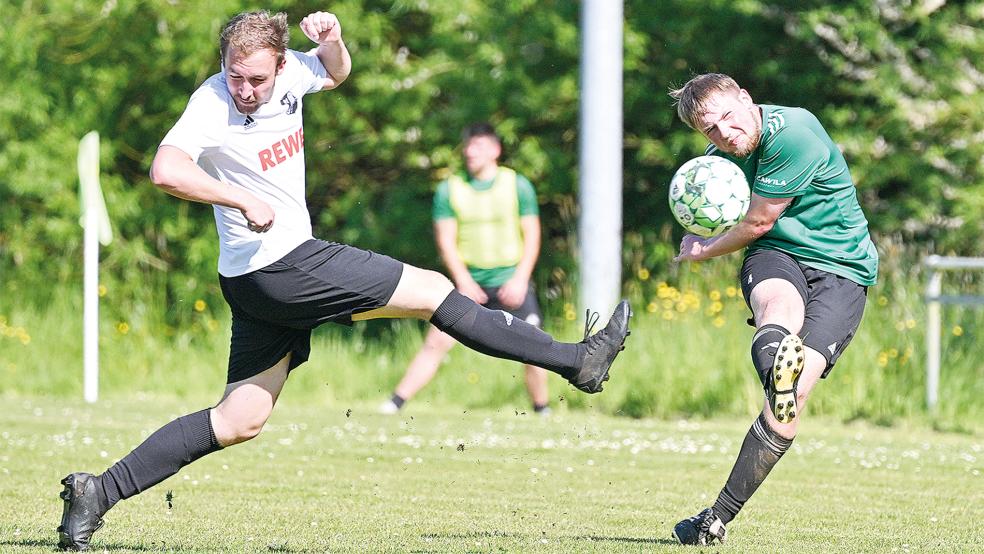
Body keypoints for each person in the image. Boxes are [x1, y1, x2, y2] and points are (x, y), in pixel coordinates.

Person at [55, 10, 631, 551]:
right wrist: (236, 195)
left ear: (280, 64)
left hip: (255, 281)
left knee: (239, 419)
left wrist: (332, 41)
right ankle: (576, 360)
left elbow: (334, 71)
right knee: (433, 290)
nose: (245, 90)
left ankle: (96, 493)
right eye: (236, 76)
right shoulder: (211, 101)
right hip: (282, 264)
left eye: (256, 78)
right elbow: (166, 169)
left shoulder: (291, 75)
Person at [667, 73, 878, 545]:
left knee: (789, 400)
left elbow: (759, 221)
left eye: (726, 118)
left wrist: (703, 250)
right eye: (710, 130)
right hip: (780, 255)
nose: (724, 133)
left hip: (843, 269)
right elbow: (724, 213)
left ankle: (716, 518)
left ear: (745, 98)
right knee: (777, 305)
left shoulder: (794, 132)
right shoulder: (718, 164)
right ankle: (779, 360)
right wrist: (701, 224)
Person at [379, 123, 552, 416]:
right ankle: (394, 404)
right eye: (469, 146)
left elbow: (533, 235)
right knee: (437, 341)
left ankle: (542, 409)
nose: (471, 152)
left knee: (534, 345)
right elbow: (446, 240)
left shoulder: (517, 184)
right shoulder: (450, 188)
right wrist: (463, 281)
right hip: (470, 283)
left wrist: (521, 279)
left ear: (496, 150)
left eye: (479, 145)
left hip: (511, 281)